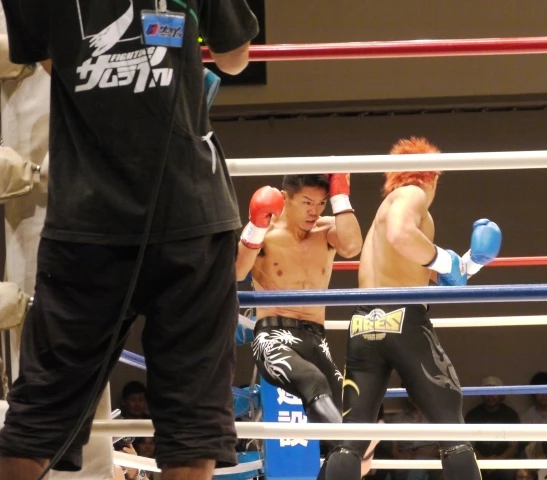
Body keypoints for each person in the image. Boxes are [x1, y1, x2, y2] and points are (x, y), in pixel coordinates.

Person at [0, 1, 259, 480]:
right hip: (188, 214)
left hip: (88, 214)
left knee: (37, 417)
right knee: (192, 427)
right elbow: (235, 57)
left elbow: (51, 57)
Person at [319, 136, 502, 480]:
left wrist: (467, 265)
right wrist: (444, 259)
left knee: (351, 440)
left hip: (363, 324)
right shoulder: (412, 194)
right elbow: (402, 235)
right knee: (453, 433)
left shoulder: (385, 207)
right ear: (430, 176)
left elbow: (419, 268)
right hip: (403, 319)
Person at [234, 173, 375, 472]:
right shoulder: (266, 233)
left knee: (354, 414)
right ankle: (348, 450)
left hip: (316, 340)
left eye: (322, 203)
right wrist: (256, 224)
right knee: (315, 384)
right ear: (285, 200)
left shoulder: (326, 231)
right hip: (272, 337)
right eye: (307, 202)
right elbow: (236, 272)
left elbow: (352, 247)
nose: (315, 210)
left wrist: (341, 198)